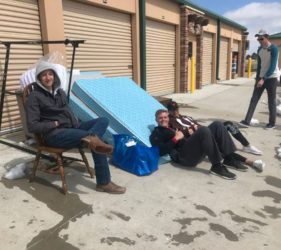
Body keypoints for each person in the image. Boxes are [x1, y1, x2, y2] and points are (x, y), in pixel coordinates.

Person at [25, 61, 126, 194]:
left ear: (54, 76)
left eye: (50, 74)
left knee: (103, 120)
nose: (48, 77)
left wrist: (76, 122)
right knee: (98, 144)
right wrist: (53, 124)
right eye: (44, 75)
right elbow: (32, 126)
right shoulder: (34, 96)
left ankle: (92, 138)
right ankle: (103, 182)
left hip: (73, 127)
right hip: (55, 134)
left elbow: (67, 111)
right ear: (39, 78)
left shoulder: (59, 92)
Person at [166, 101, 265, 172]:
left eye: (176, 109)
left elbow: (198, 126)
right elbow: (179, 134)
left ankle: (247, 146)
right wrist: (190, 130)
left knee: (226, 124)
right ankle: (249, 162)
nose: (175, 112)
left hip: (201, 134)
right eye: (172, 110)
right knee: (215, 138)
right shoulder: (170, 121)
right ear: (168, 110)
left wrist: (194, 128)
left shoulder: (186, 117)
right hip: (193, 143)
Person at [150, 109, 239, 180]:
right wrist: (175, 138)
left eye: (165, 117)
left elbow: (184, 138)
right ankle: (216, 166)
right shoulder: (156, 133)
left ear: (168, 118)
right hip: (183, 157)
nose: (163, 119)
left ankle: (228, 158)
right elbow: (160, 151)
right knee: (203, 129)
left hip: (192, 150)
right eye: (160, 118)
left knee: (217, 124)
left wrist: (191, 134)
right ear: (156, 120)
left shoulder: (172, 128)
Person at [239, 29, 280, 130]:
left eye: (261, 39)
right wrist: (258, 78)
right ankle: (247, 121)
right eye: (258, 39)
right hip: (261, 77)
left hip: (272, 78)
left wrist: (264, 78)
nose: (260, 41)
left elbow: (273, 66)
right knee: (254, 99)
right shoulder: (259, 49)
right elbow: (259, 65)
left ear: (267, 37)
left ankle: (271, 123)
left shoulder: (274, 48)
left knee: (271, 101)